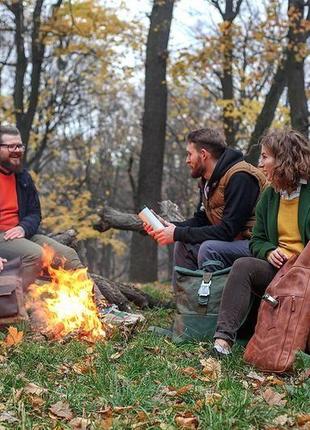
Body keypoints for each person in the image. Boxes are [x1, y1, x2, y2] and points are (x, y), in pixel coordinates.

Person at [212, 128, 310, 357]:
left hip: (305, 273)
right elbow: (257, 239)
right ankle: (222, 341)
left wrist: (299, 264)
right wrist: (268, 251)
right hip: (277, 269)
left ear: (284, 158)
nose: (260, 162)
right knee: (243, 265)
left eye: (265, 156)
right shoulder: (270, 196)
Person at [146, 128, 267, 275]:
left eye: (190, 154)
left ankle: (211, 296)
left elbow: (228, 230)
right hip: (233, 242)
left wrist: (178, 233)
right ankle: (184, 296)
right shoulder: (208, 182)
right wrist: (170, 227)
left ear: (203, 154)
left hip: (257, 245)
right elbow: (203, 219)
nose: (187, 160)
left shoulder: (240, 177)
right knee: (183, 245)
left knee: (208, 248)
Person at [0, 125, 94, 291]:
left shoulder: (23, 177)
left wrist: (23, 227)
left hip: (22, 235)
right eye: (10, 146)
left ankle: (100, 306)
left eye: (20, 146)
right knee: (35, 254)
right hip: (2, 238)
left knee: (69, 255)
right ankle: (15, 307)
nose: (17, 150)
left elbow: (34, 213)